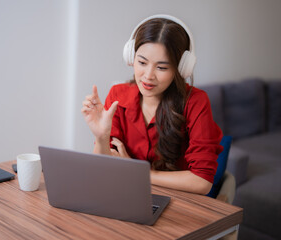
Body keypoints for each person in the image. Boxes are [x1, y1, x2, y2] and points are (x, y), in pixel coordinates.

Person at [81, 15, 223, 195]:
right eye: (142, 62)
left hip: (180, 201)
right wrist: (101, 136)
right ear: (131, 57)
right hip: (128, 193)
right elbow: (103, 169)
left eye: (162, 67)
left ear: (181, 68)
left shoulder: (196, 101)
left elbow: (202, 182)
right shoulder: (118, 94)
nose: (148, 75)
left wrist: (137, 171)